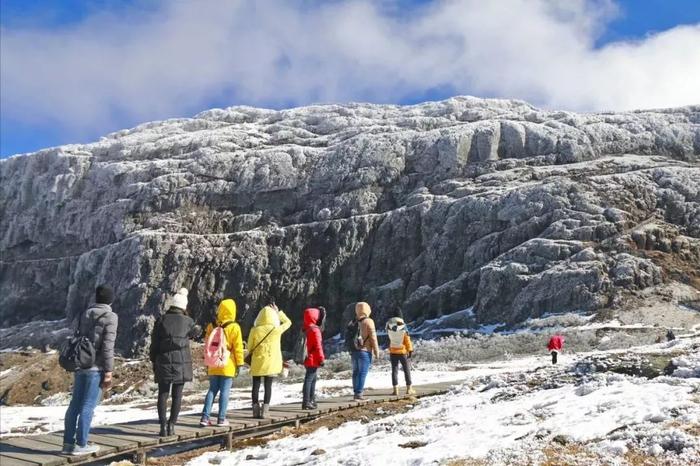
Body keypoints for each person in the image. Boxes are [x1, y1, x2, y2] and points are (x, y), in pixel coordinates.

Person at [62, 285, 118, 456]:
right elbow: (108, 346)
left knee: (75, 405)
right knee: (88, 405)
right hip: (96, 367)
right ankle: (81, 444)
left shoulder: (85, 313)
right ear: (111, 299)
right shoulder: (110, 316)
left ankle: (67, 443)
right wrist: (108, 371)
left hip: (81, 364)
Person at [150, 288, 200, 436]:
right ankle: (172, 426)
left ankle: (162, 427)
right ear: (183, 306)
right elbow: (195, 333)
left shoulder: (161, 320)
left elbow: (154, 344)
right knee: (177, 395)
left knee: (163, 394)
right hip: (182, 363)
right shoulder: (188, 322)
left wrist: (154, 360)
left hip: (163, 361)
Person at [200, 298, 244, 426]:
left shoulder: (211, 325)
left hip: (213, 363)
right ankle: (221, 419)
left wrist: (207, 361)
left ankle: (204, 417)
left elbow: (207, 344)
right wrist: (239, 363)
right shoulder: (234, 327)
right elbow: (238, 348)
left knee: (212, 390)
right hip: (227, 363)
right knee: (225, 391)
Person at [247, 303, 291, 418]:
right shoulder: (276, 330)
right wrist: (278, 312)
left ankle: (255, 411)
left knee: (255, 386)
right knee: (268, 386)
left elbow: (249, 347)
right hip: (271, 363)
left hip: (257, 362)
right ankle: (265, 411)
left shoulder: (254, 330)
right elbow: (288, 323)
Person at [351, 302, 379, 400]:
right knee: (362, 373)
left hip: (354, 351)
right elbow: (373, 337)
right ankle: (359, 393)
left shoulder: (353, 321)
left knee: (355, 372)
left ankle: (355, 392)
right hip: (365, 351)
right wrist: (376, 351)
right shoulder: (369, 321)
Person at [386, 310, 415, 396]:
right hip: (402, 351)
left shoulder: (388, 326)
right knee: (406, 370)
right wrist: (410, 350)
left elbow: (390, 338)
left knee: (394, 370)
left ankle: (395, 390)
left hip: (393, 351)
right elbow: (407, 339)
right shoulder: (403, 326)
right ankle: (409, 389)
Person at [302, 307, 326, 409]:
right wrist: (321, 358)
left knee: (311, 379)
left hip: (306, 357)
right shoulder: (315, 330)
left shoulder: (305, 328)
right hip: (313, 358)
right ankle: (307, 401)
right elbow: (318, 346)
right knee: (309, 379)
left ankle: (311, 400)